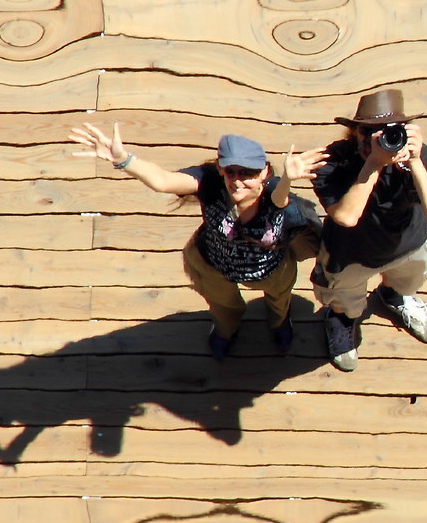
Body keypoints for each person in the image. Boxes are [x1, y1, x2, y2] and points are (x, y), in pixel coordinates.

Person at [68, 126, 321, 359]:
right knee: (224, 306)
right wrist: (124, 160)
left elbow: (279, 200)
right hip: (213, 263)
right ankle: (226, 330)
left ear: (264, 171)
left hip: (269, 267)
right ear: (220, 168)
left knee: (279, 299)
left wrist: (288, 178)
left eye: (248, 173)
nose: (238, 180)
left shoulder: (276, 193)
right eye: (230, 171)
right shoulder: (211, 181)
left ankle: (279, 324)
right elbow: (163, 181)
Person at [310, 87, 427, 372]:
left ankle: (393, 296)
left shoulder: (413, 154)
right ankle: (341, 319)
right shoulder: (332, 162)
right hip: (352, 255)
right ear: (354, 131)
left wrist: (416, 162)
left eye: (387, 130)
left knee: (407, 283)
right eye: (368, 130)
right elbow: (346, 217)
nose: (377, 139)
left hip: (409, 244)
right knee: (344, 300)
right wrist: (373, 164)